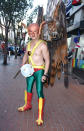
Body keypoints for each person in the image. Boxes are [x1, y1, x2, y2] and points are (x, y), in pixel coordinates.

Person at [18, 22, 50, 126]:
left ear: (39, 32)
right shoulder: (28, 44)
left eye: (35, 32)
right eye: (30, 32)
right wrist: (23, 66)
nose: (32, 34)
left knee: (39, 91)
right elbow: (25, 56)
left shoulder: (43, 45)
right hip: (30, 70)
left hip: (40, 71)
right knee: (28, 88)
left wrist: (45, 74)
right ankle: (28, 105)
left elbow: (48, 60)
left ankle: (40, 116)